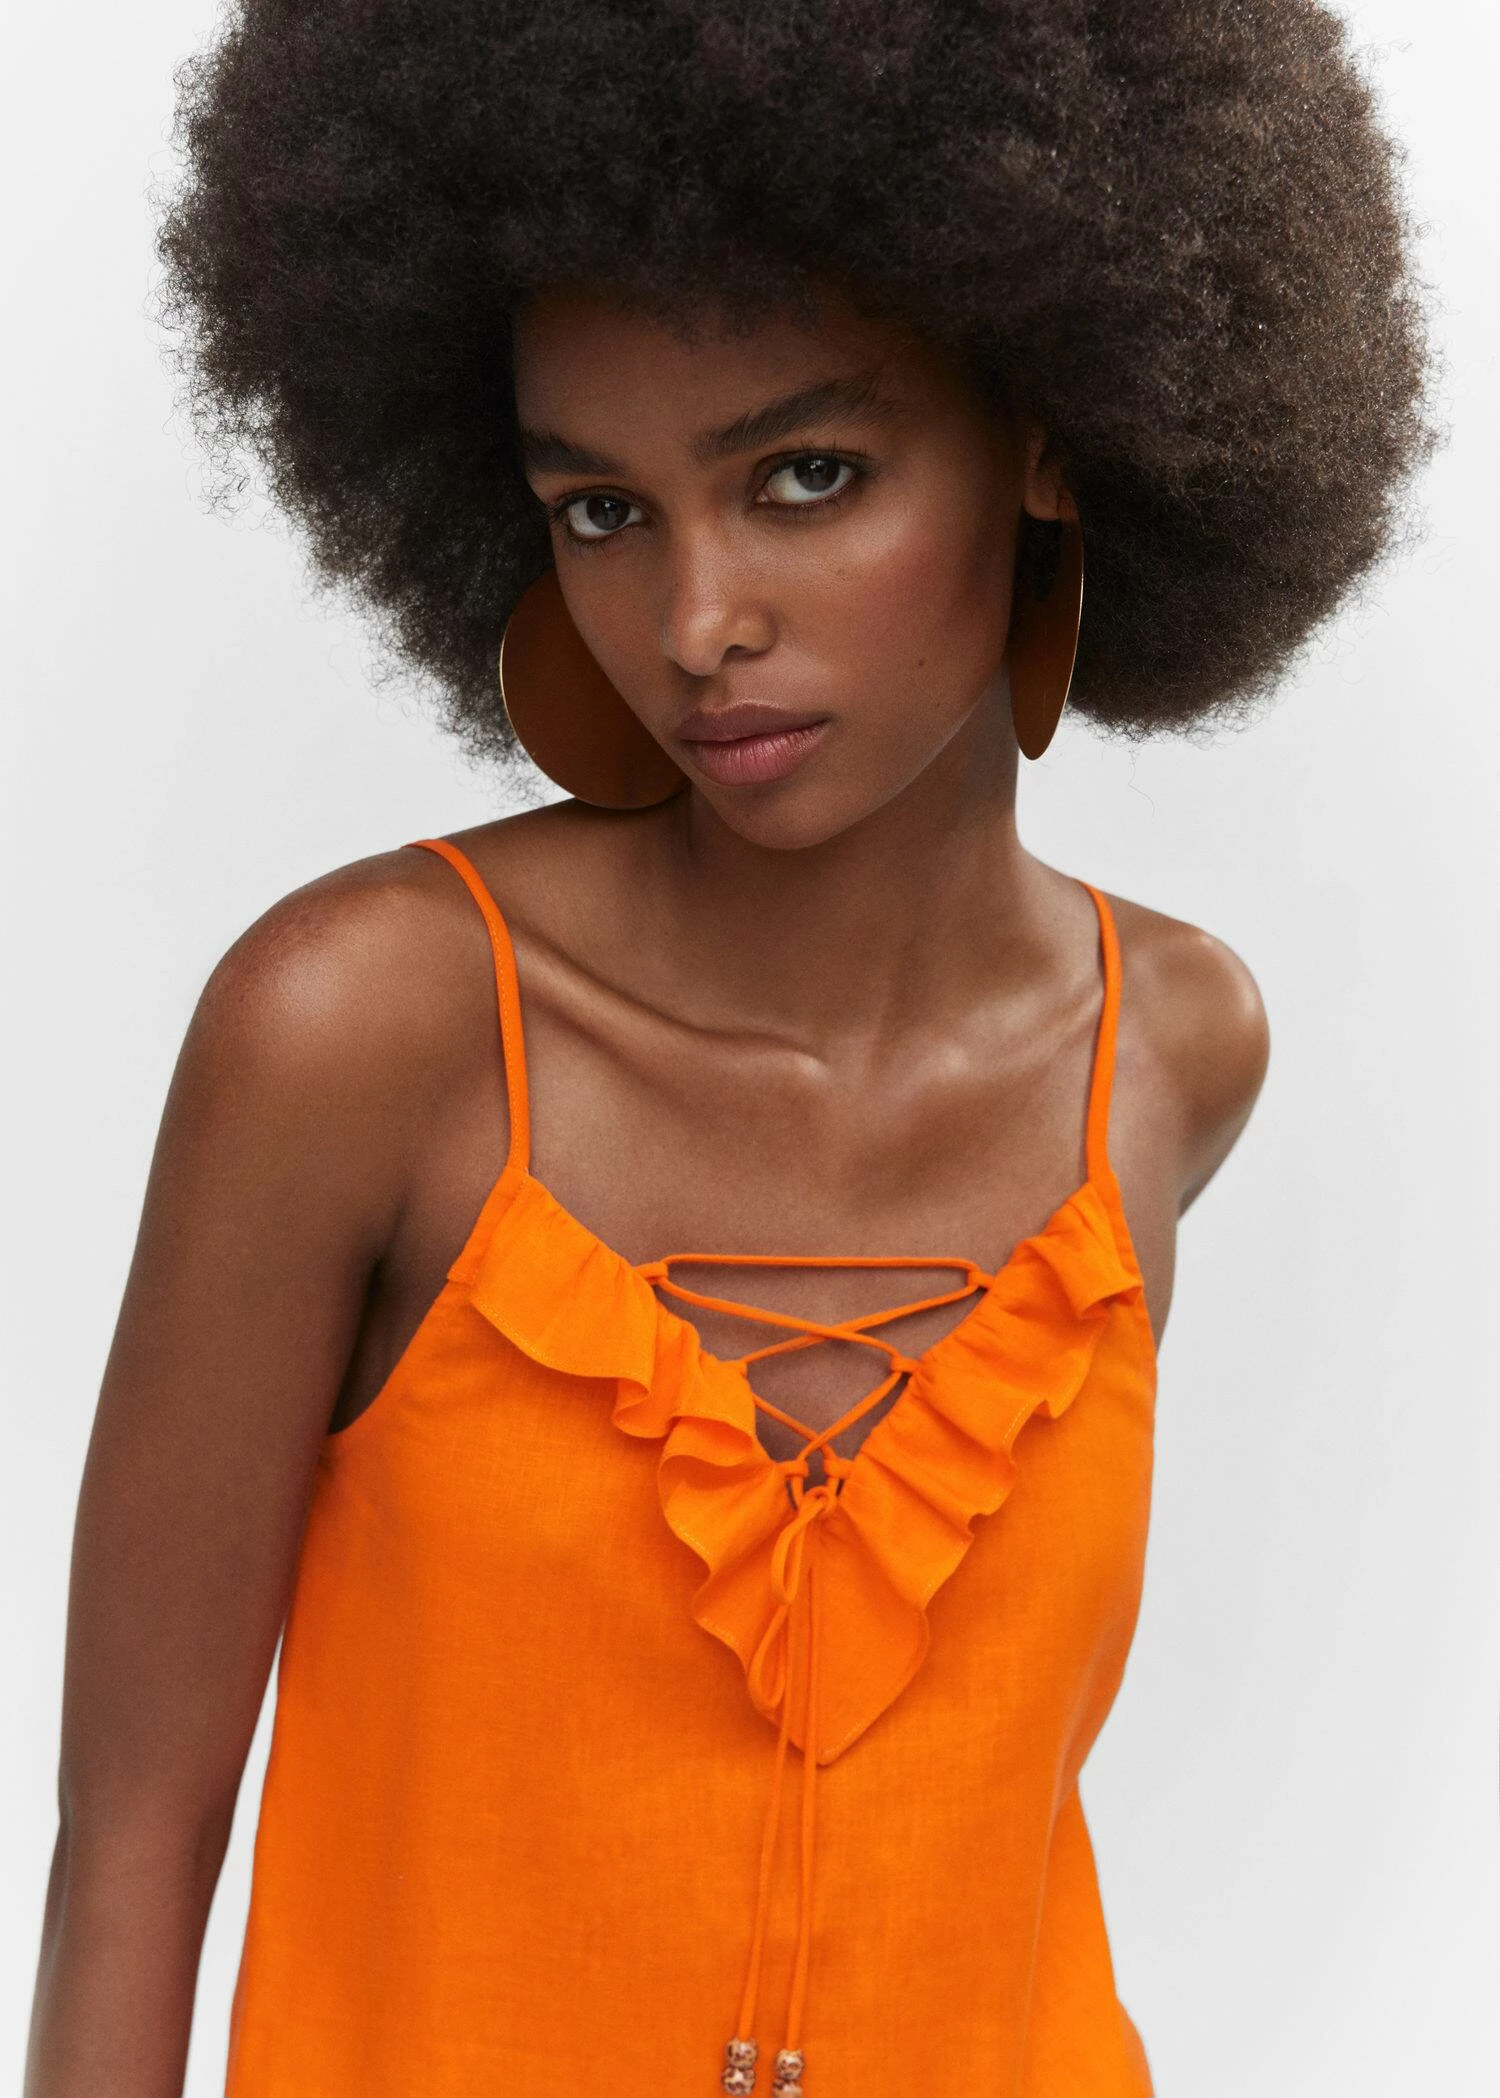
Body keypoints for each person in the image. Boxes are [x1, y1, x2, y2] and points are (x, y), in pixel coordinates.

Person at [25, 2, 1433, 2093]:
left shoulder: (1173, 1051)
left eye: (805, 476)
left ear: (1051, 430)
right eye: (604, 509)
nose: (696, 624)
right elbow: (135, 1844)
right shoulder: (364, 1035)